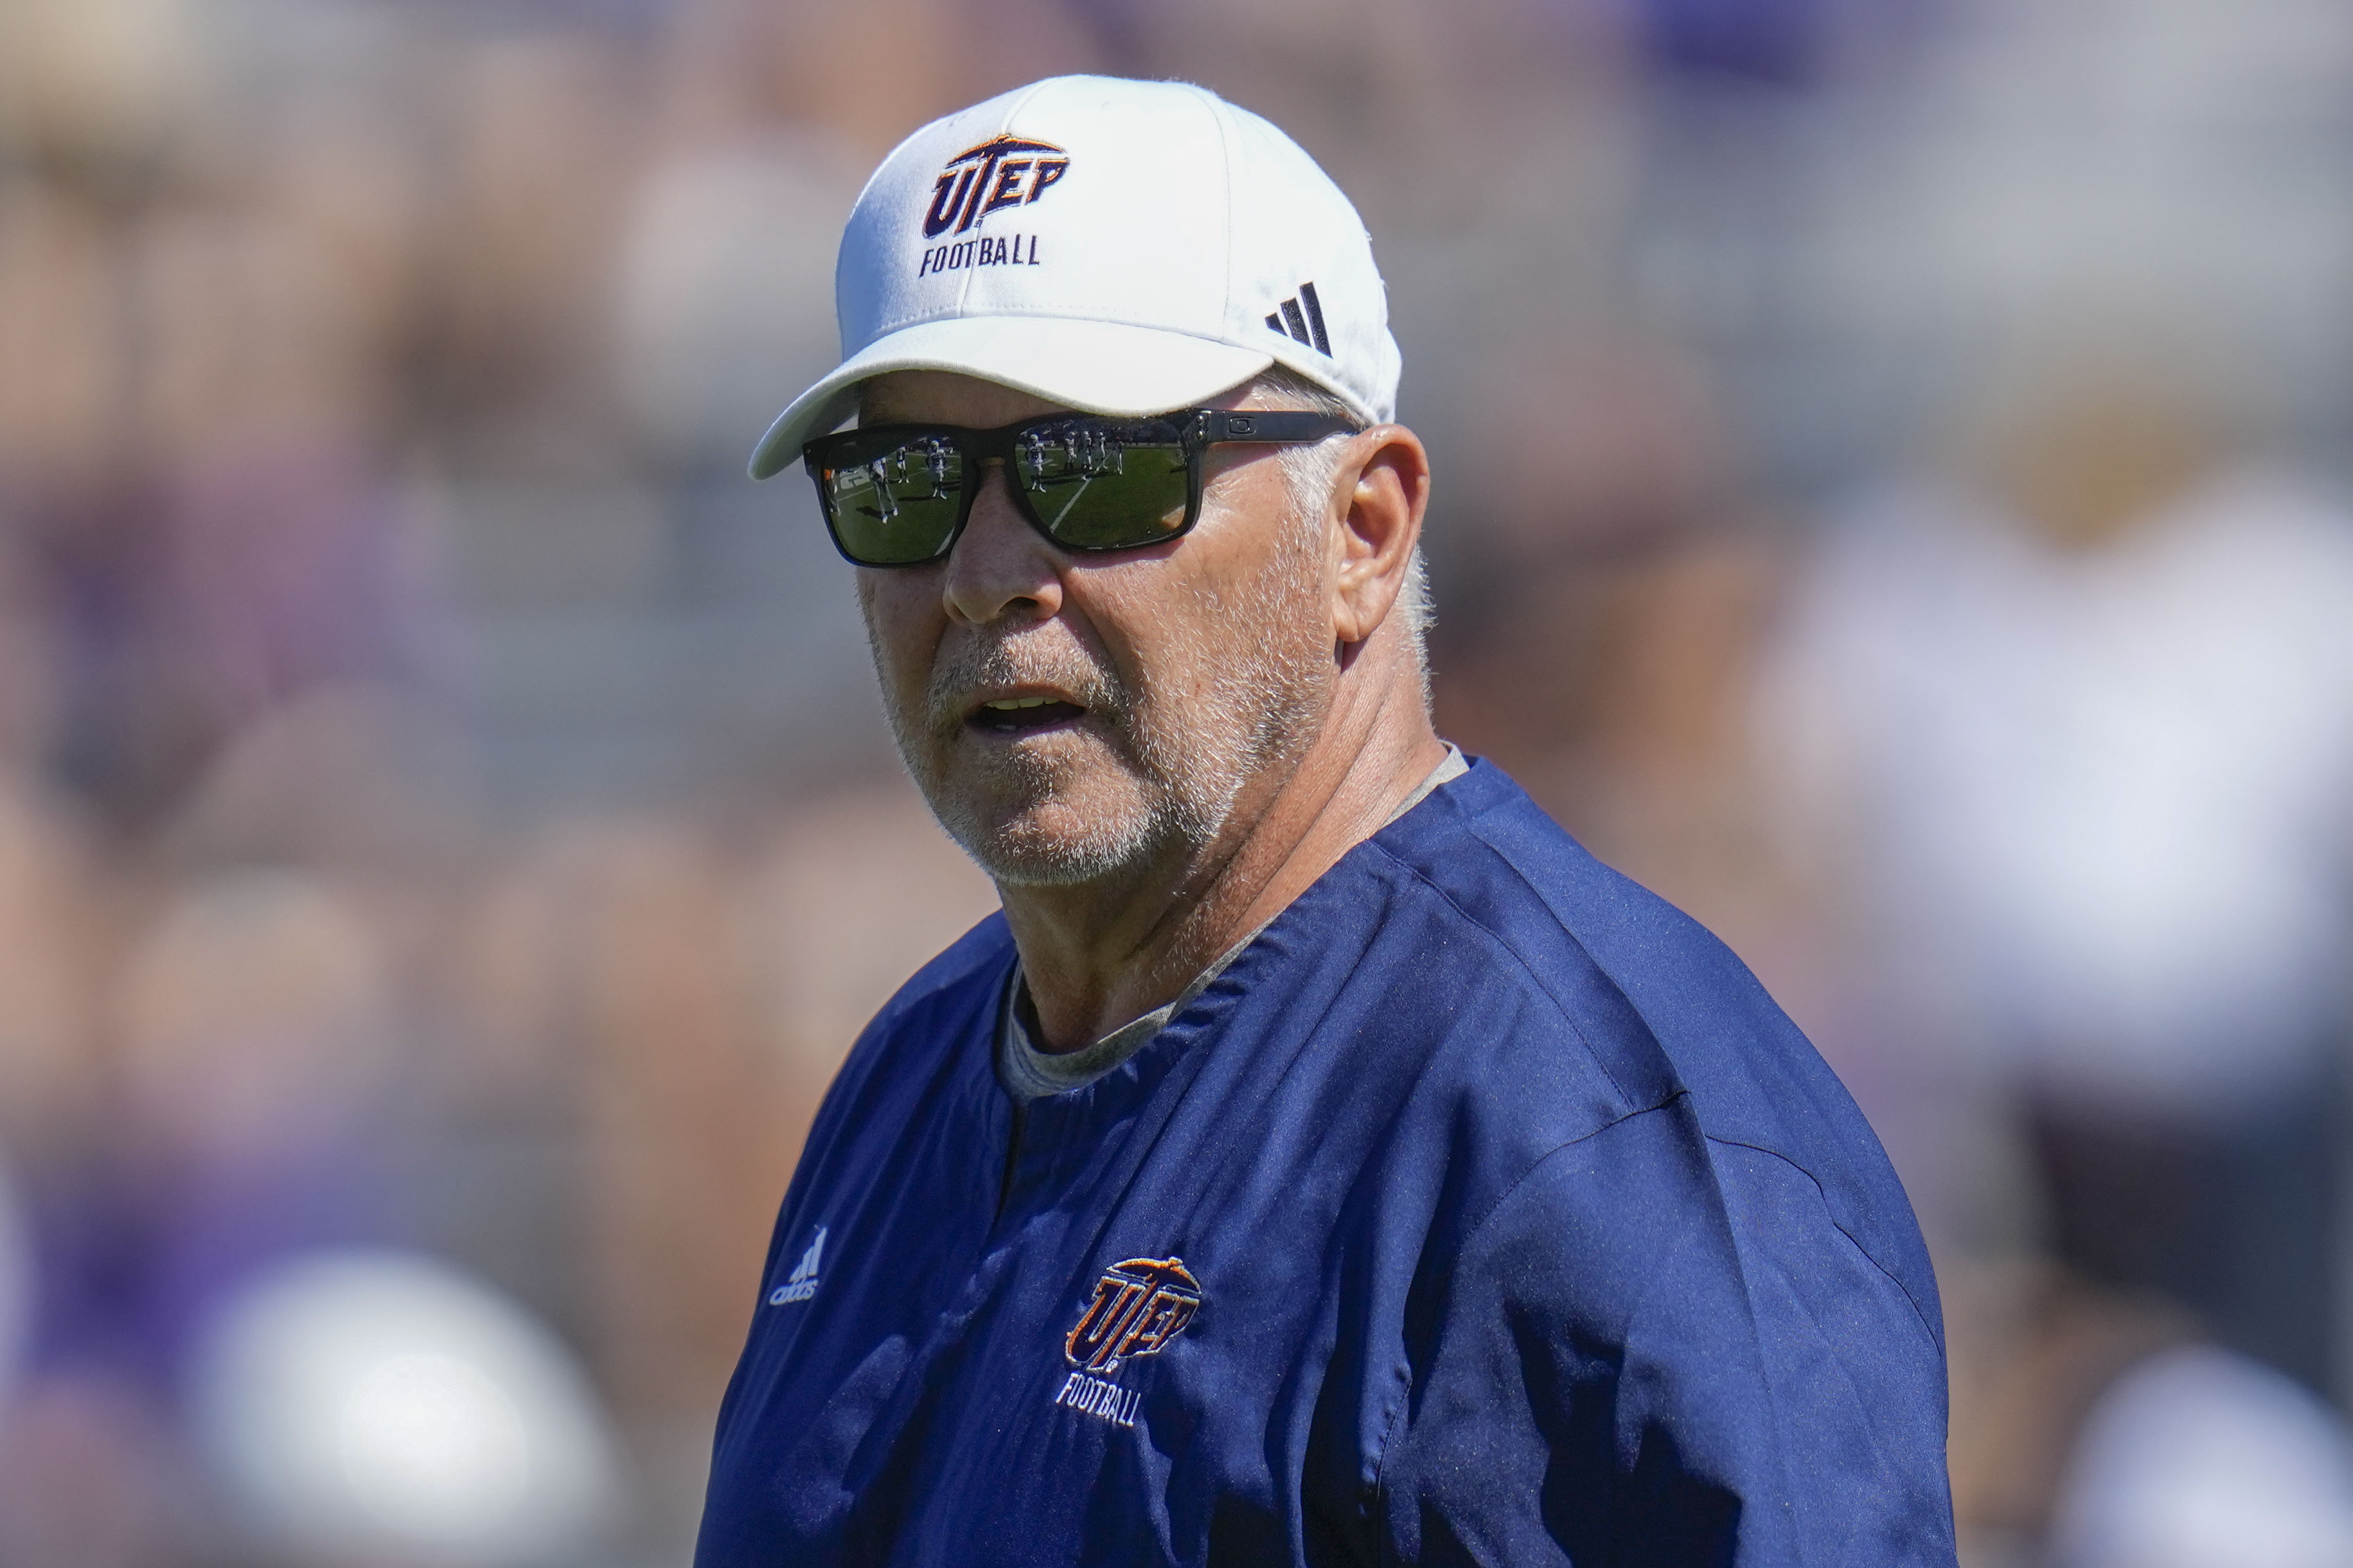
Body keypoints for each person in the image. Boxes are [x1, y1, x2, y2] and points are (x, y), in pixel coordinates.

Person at [695, 75, 1953, 1566]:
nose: (982, 577)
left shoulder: (1580, 1143)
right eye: (905, 484)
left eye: (1096, 471)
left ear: (1362, 532)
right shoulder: (915, 1072)